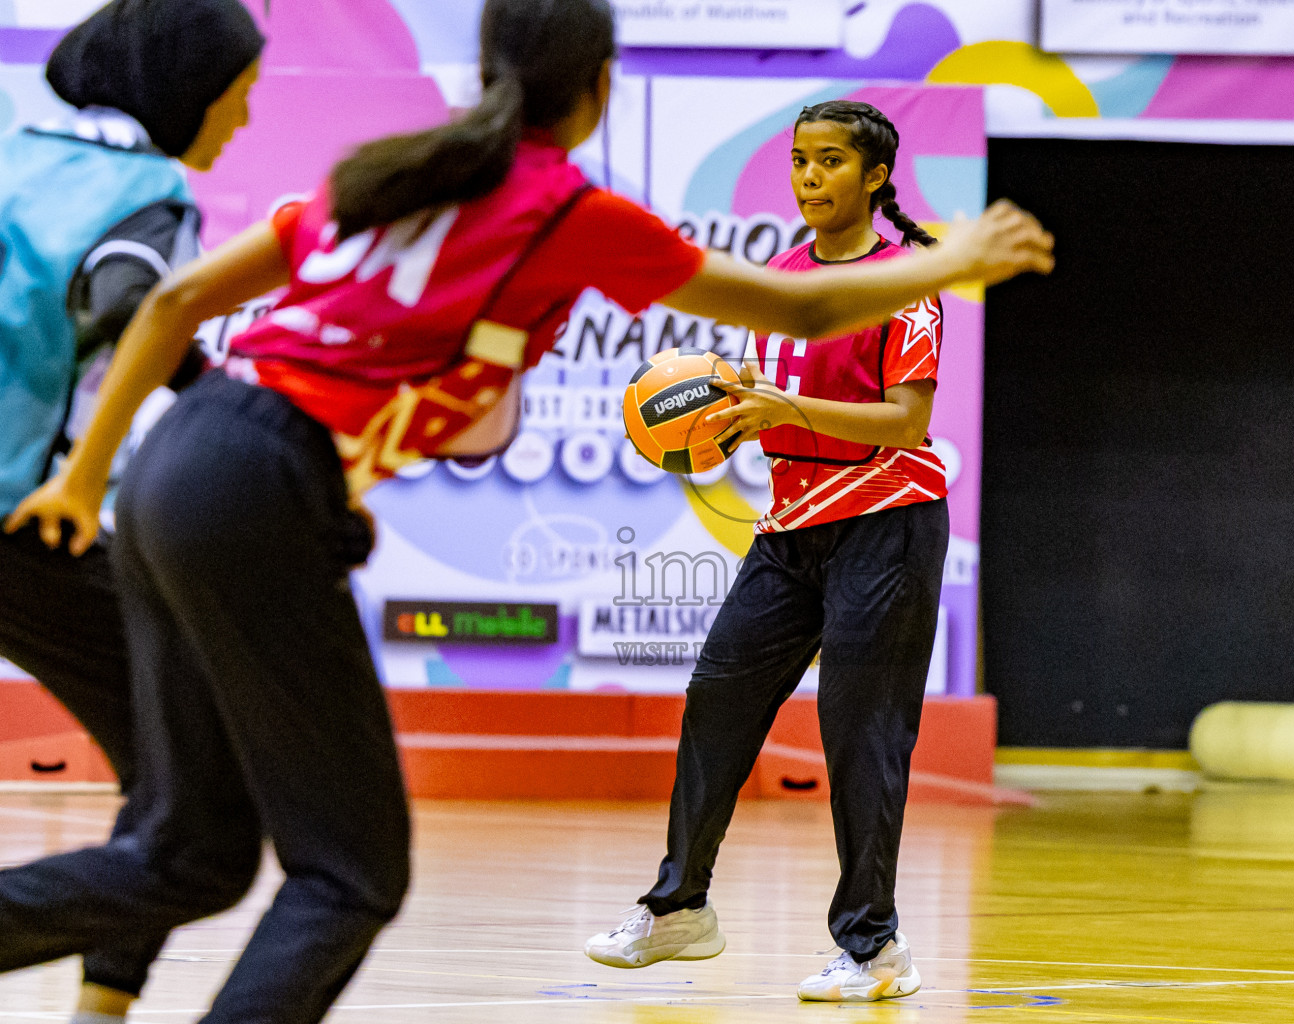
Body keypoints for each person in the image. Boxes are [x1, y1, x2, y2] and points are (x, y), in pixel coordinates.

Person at [1, 1, 1052, 1020]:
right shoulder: (564, 210)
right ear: (598, 89)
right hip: (258, 486)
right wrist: (955, 259)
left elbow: (181, 303)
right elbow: (806, 307)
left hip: (168, 475)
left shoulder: (384, 175)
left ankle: (102, 994)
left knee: (194, 844)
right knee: (348, 873)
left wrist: (87, 476)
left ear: (487, 71)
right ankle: (693, 902)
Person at [583, 98, 973, 1002]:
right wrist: (722, 413)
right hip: (792, 525)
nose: (809, 177)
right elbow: (773, 396)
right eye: (801, 161)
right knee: (717, 696)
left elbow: (906, 422)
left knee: (860, 734)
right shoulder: (783, 277)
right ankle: (680, 907)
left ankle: (875, 947)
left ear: (875, 177)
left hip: (889, 523)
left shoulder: (905, 282)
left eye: (831, 161)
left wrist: (788, 411)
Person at [0, 1, 263, 1020]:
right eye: (238, 100)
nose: (240, 123)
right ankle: (101, 1006)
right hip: (29, 520)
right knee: (192, 788)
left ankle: (104, 1005)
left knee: (169, 772)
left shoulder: (19, 152)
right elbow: (133, 299)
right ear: (187, 92)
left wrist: (210, 388)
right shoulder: (146, 194)